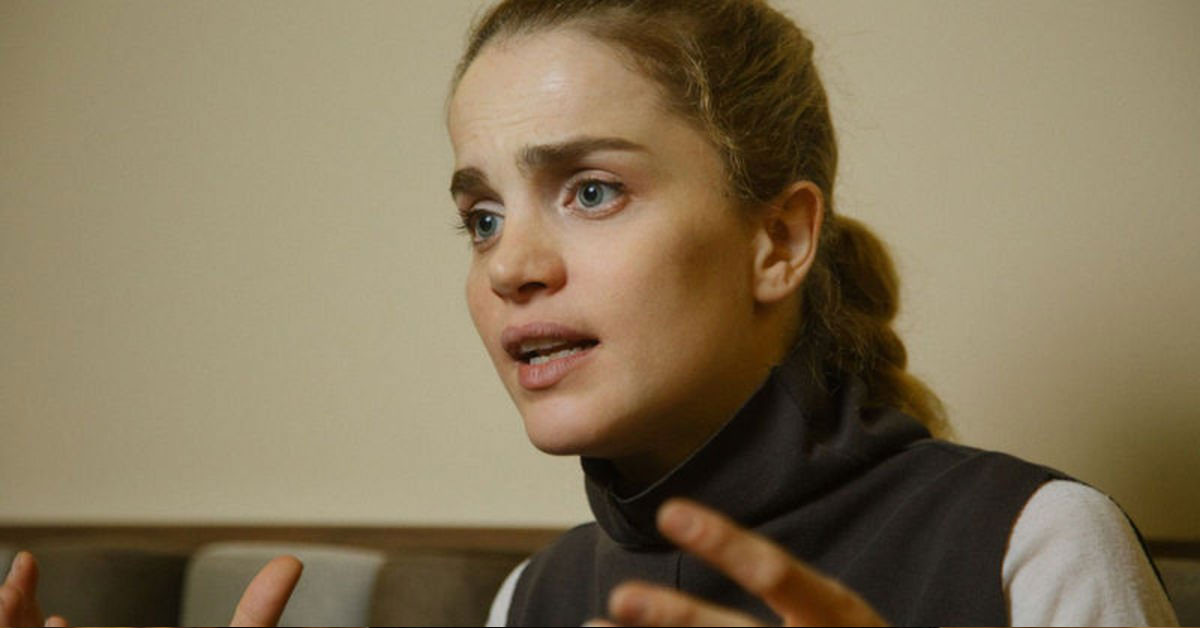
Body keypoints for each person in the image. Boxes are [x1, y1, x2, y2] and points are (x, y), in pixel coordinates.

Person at [0, 0, 1181, 626]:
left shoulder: (1035, 547)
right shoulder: (535, 601)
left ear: (777, 240)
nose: (511, 265)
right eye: (480, 215)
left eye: (592, 190)